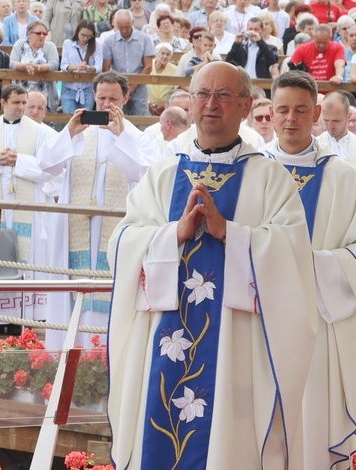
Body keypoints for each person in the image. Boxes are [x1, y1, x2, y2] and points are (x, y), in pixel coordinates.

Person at [105, 62, 317, 469]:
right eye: (203, 94)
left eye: (224, 95)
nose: (211, 104)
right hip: (164, 342)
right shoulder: (164, 173)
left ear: (245, 106)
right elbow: (122, 243)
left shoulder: (270, 177)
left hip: (237, 348)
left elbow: (293, 256)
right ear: (190, 101)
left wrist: (231, 234)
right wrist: (174, 234)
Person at [261, 69, 356, 469]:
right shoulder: (253, 171)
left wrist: (308, 265)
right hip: (257, 322)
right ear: (270, 112)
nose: (290, 119)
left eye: (300, 110)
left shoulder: (342, 177)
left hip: (317, 326)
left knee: (312, 430)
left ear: (316, 112)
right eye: (282, 109)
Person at [38, 71, 160, 350]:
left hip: (115, 232)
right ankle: (70, 352)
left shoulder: (138, 138)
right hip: (77, 230)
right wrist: (68, 133)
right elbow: (46, 167)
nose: (106, 104)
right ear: (93, 97)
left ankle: (105, 353)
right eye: (101, 97)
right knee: (75, 294)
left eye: (113, 98)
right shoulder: (79, 133)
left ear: (126, 98)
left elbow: (144, 173)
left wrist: (121, 137)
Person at [0, 83, 55, 324]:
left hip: (27, 209)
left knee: (26, 257)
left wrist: (19, 161)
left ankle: (27, 319)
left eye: (24, 103)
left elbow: (50, 171)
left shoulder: (41, 132)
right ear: (2, 103)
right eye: (16, 103)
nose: (22, 107)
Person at [103, 9, 156, 116]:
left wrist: (130, 89)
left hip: (139, 87)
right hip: (117, 87)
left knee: (141, 121)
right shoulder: (109, 41)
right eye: (121, 27)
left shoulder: (145, 39)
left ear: (133, 22)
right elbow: (106, 68)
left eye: (127, 26)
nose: (124, 30)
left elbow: (148, 67)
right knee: (115, 119)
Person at [317, 91, 356, 173]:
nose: (330, 126)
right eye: (326, 120)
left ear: (348, 116)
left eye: (336, 121)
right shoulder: (314, 147)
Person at [9, 21, 59, 112]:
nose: (42, 36)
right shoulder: (19, 44)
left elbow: (54, 64)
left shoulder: (50, 46)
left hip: (44, 91)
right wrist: (25, 66)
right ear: (29, 34)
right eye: (38, 33)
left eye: (44, 33)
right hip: (22, 90)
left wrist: (37, 68)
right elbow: (12, 63)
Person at [61, 20, 102, 114]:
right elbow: (64, 65)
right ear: (77, 32)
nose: (85, 38)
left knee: (87, 118)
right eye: (82, 35)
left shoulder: (97, 46)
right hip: (69, 87)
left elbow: (98, 67)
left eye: (88, 36)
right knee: (69, 117)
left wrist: (87, 68)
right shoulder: (68, 43)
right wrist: (76, 68)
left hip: (87, 87)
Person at [147, 42, 178, 115]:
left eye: (168, 54)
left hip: (166, 108)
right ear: (156, 54)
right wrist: (148, 104)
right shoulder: (148, 65)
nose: (165, 56)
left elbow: (176, 90)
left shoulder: (174, 69)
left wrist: (165, 104)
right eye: (162, 53)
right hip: (146, 106)